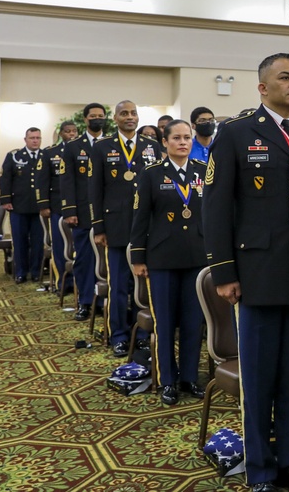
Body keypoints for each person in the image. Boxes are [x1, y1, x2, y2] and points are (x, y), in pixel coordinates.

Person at [203, 52, 289, 492]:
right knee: (258, 380)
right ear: (263, 88)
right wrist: (223, 270)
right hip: (256, 275)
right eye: (285, 77)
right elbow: (216, 207)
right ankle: (260, 470)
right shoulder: (237, 133)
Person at [130, 119, 207, 406]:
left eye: (187, 137)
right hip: (161, 258)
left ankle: (189, 377)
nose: (183, 142)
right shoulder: (150, 174)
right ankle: (168, 381)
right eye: (176, 138)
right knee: (164, 323)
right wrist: (138, 256)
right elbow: (139, 219)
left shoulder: (202, 171)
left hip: (196, 257)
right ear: (165, 142)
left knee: (192, 322)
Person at [90, 100, 161, 357]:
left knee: (143, 286)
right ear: (115, 118)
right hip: (116, 226)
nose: (130, 117)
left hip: (147, 228)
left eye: (133, 113)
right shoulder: (102, 147)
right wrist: (98, 226)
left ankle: (141, 334)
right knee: (119, 286)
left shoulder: (152, 146)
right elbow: (95, 190)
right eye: (124, 113)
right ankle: (118, 334)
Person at [62, 103, 106, 321]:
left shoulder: (112, 144)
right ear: (85, 120)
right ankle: (86, 302)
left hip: (110, 214)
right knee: (85, 259)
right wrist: (69, 210)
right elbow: (67, 181)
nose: (97, 119)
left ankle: (105, 302)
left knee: (110, 261)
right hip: (83, 212)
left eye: (101, 116)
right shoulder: (72, 147)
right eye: (93, 116)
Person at [0, 127, 49, 284]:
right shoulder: (14, 156)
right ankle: (20, 272)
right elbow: (6, 178)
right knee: (19, 241)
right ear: (25, 139)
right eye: (32, 138)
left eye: (38, 138)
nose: (35, 140)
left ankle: (36, 271)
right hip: (19, 207)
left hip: (39, 208)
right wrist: (5, 200)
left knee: (37, 241)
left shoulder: (45, 155)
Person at [40, 120, 79, 294]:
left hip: (79, 206)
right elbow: (42, 181)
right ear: (61, 133)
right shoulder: (50, 153)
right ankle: (62, 282)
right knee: (60, 246)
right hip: (57, 206)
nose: (71, 134)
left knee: (78, 247)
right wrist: (44, 205)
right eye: (68, 131)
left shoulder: (83, 150)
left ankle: (79, 282)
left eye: (74, 131)